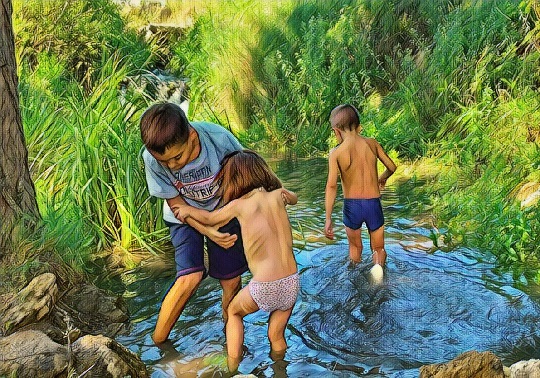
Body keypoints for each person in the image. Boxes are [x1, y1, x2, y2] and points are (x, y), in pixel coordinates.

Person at [173, 150, 299, 373]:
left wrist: (186, 209)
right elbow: (294, 198)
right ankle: (281, 370)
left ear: (235, 179)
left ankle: (233, 368)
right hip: (291, 284)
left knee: (233, 312)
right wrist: (288, 196)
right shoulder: (278, 194)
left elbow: (211, 218)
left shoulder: (240, 205)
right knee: (275, 335)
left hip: (265, 286)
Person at [139, 102, 248, 345]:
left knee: (231, 280)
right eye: (164, 161)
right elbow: (177, 207)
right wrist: (207, 230)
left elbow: (248, 177)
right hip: (183, 216)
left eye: (177, 157)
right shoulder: (151, 157)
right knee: (191, 276)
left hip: (223, 209)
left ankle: (229, 336)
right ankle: (158, 345)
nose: (172, 166)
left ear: (191, 135)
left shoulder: (219, 140)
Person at [324, 103, 396, 273]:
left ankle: (355, 277)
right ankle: (378, 271)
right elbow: (392, 167)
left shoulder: (336, 153)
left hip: (352, 207)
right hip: (373, 204)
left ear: (336, 131)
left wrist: (328, 218)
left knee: (355, 249)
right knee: (379, 249)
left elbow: (332, 185)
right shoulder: (372, 143)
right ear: (358, 126)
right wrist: (381, 179)